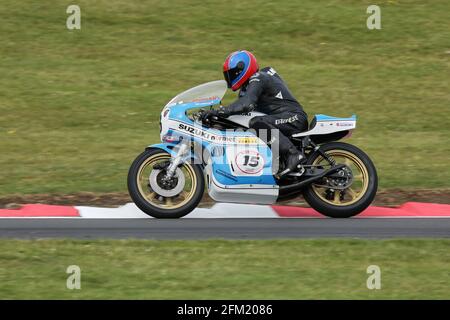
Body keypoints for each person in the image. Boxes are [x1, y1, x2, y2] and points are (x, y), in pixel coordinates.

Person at [201, 50, 308, 176]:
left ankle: (293, 154)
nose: (229, 77)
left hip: (294, 118)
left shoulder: (259, 77)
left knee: (257, 122)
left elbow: (246, 104)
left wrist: (221, 111)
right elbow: (239, 114)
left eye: (231, 73)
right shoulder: (247, 88)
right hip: (281, 119)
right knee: (247, 126)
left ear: (242, 69)